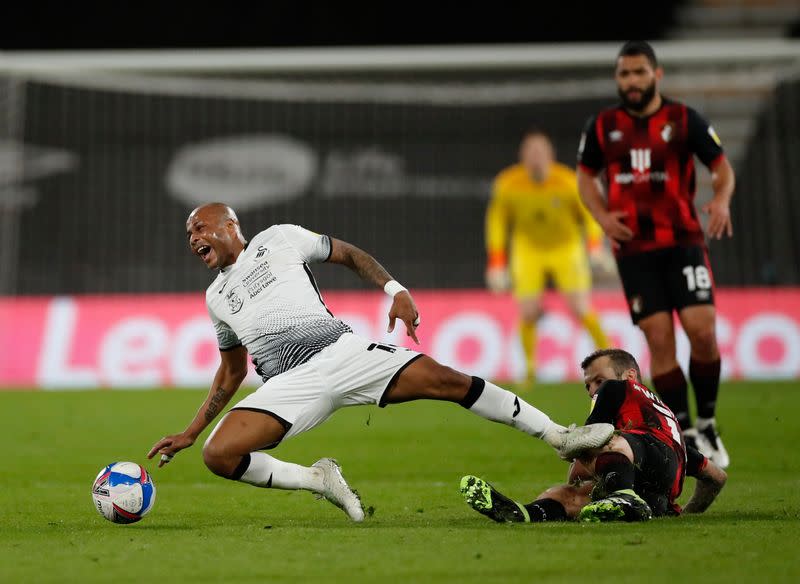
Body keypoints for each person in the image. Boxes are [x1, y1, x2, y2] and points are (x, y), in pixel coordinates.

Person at [147, 203, 616, 522]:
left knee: (446, 379)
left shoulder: (279, 240)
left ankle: (559, 435)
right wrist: (190, 432)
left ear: (230, 226)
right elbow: (231, 371)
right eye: (188, 234)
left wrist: (396, 290)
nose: (193, 239)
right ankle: (318, 479)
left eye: (200, 229)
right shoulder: (216, 298)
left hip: (343, 354)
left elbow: (348, 254)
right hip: (289, 385)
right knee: (218, 454)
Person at [575, 40, 735, 467]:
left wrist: (720, 201)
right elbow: (585, 178)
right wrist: (602, 217)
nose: (632, 81)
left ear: (656, 75)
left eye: (639, 72)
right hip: (635, 250)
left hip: (683, 241)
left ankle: (709, 422)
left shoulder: (684, 119)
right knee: (660, 340)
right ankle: (683, 429)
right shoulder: (602, 126)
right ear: (617, 78)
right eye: (625, 74)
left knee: (702, 330)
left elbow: (721, 167)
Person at [460, 348, 727, 523]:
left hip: (640, 461)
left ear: (630, 375)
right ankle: (525, 514)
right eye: (588, 385)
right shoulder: (670, 433)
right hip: (657, 500)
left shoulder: (617, 390)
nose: (592, 390)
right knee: (570, 496)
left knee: (602, 441)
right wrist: (689, 514)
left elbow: (588, 446)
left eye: (598, 380)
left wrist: (576, 461)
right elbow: (716, 477)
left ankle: (623, 496)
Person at [485, 128, 613, 387]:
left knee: (580, 308)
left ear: (550, 155)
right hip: (528, 249)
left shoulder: (567, 180)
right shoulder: (508, 183)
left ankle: (611, 361)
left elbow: (589, 215)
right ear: (522, 156)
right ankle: (530, 372)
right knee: (528, 311)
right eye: (530, 152)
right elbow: (497, 222)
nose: (535, 157)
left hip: (566, 248)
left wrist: (595, 247)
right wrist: (497, 263)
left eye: (540, 152)